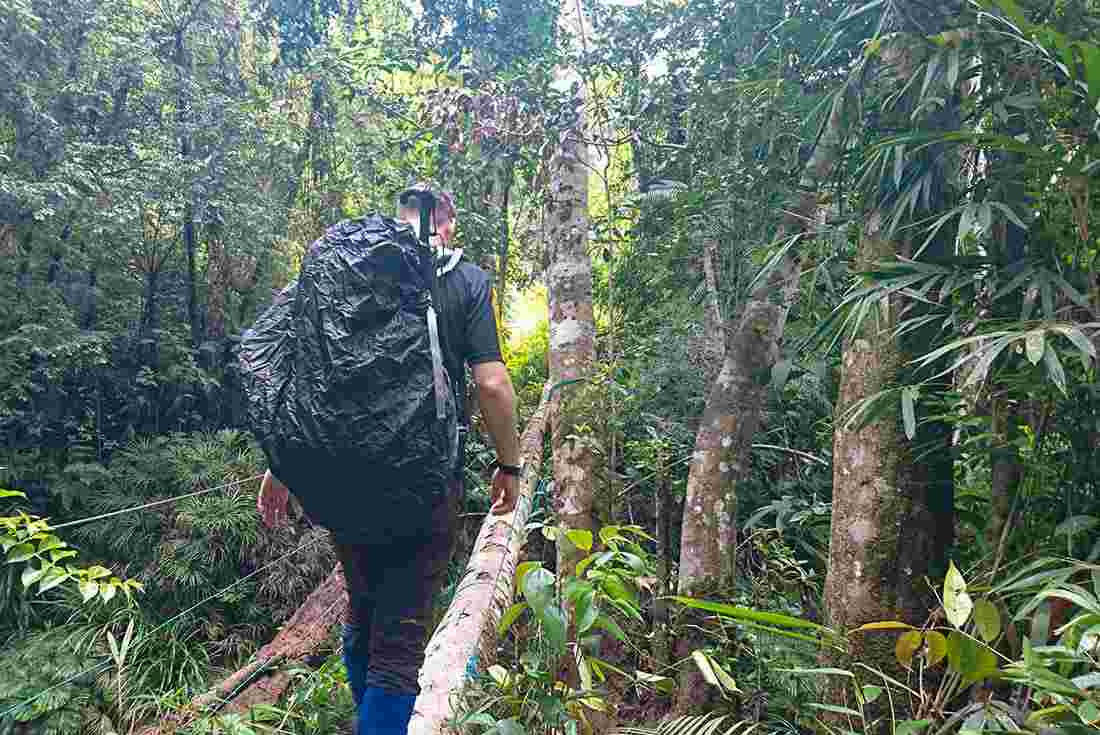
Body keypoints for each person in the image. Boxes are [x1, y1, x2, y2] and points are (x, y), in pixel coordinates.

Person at [256, 184, 522, 735]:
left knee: (363, 611)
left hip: (343, 485)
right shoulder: (464, 280)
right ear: (446, 221)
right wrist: (510, 464)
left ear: (397, 218)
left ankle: (367, 719)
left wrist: (281, 468)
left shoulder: (350, 273)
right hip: (423, 491)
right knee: (399, 648)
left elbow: (306, 379)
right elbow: (492, 385)